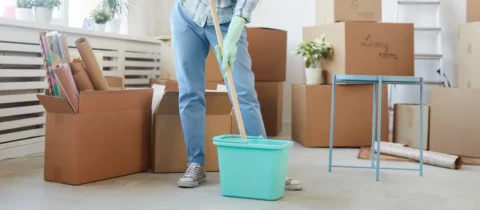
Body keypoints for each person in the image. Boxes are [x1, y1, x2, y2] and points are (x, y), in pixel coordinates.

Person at [170, 0, 302, 191]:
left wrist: (237, 25)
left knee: (243, 91)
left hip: (226, 20)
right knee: (190, 92)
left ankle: (265, 166)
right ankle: (195, 163)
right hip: (187, 15)